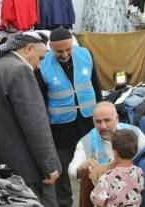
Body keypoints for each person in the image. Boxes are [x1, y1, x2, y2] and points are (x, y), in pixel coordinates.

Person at [0, 31, 61, 206]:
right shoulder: (19, 69)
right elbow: (35, 124)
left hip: (3, 162)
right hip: (27, 168)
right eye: (41, 57)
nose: (39, 65)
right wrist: (49, 166)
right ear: (28, 48)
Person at [35, 27, 102, 207]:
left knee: (92, 164)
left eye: (68, 49)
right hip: (61, 127)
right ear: (50, 47)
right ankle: (64, 203)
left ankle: (94, 200)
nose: (65, 54)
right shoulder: (42, 64)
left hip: (88, 121)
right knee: (62, 170)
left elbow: (96, 84)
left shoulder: (86, 54)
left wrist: (101, 110)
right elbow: (40, 99)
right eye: (59, 51)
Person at [68, 101, 145, 179]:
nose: (103, 126)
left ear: (117, 118)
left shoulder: (134, 133)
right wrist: (84, 166)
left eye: (107, 120)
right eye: (98, 121)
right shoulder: (86, 141)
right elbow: (72, 171)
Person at [90, 129, 144, 207]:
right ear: (135, 151)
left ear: (114, 154)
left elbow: (98, 201)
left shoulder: (107, 177)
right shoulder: (140, 171)